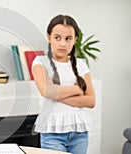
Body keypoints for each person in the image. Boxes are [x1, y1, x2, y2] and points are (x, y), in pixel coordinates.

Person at [32, 14, 96, 154]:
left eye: (68, 39)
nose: (62, 43)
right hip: (52, 132)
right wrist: (78, 89)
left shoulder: (81, 65)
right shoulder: (40, 62)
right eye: (57, 37)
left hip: (79, 132)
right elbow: (47, 92)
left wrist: (57, 93)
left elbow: (91, 101)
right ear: (49, 37)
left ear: (75, 40)